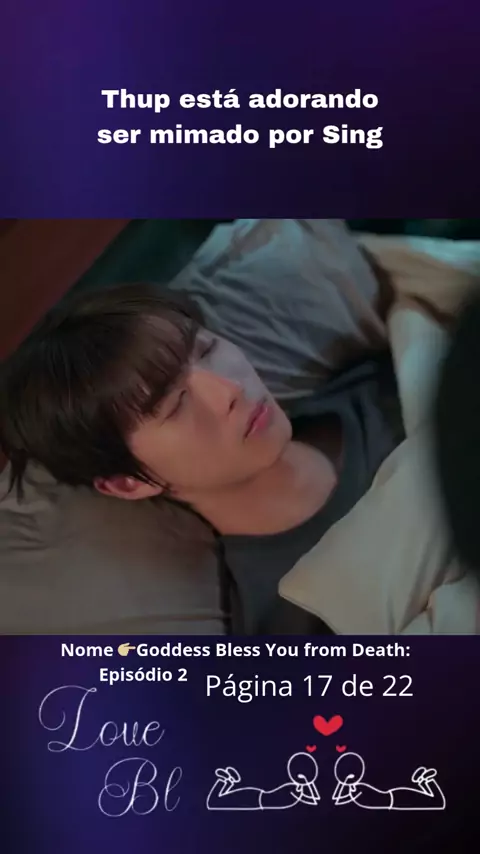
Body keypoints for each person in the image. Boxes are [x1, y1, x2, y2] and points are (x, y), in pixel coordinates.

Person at [0, 284, 403, 634]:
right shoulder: (292, 616)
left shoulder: (389, 378)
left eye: (207, 350)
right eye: (175, 404)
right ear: (129, 483)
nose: (229, 389)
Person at [333, 752, 446, 811]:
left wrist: (343, 781)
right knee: (435, 802)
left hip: (396, 799)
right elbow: (337, 799)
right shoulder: (359, 789)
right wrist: (343, 780)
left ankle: (425, 780)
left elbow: (338, 799)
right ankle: (424, 780)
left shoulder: (359, 790)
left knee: (437, 802)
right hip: (395, 798)